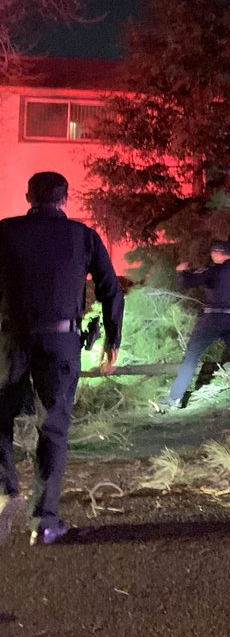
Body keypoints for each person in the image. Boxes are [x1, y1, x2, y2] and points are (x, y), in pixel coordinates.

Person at [0, 172, 123, 545]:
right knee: (53, 427)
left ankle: (5, 491)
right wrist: (112, 340)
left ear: (28, 196)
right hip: (62, 339)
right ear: (65, 199)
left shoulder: (4, 231)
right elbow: (111, 290)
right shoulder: (82, 235)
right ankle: (45, 521)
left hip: (10, 337)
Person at [162, 241, 230, 410]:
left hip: (212, 319)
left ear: (217, 254)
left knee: (192, 355)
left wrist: (182, 272)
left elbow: (189, 282)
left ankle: (175, 397)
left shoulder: (214, 271)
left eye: (213, 254)